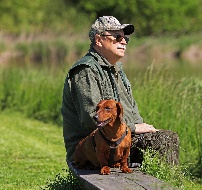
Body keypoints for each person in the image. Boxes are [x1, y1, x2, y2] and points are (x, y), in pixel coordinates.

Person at [61, 16, 179, 168]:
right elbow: (93, 120)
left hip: (118, 139)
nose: (123, 42)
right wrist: (134, 128)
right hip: (93, 149)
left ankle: (160, 184)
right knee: (165, 140)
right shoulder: (86, 70)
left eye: (125, 39)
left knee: (161, 136)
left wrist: (141, 128)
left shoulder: (117, 69)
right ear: (99, 39)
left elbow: (132, 111)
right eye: (117, 37)